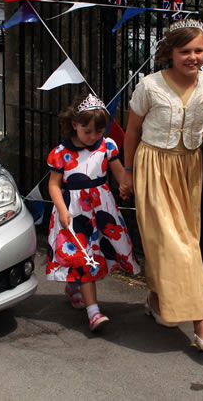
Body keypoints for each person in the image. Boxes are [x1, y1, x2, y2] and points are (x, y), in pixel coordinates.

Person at [120, 19, 203, 351]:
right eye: (185, 50)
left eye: (199, 50)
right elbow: (131, 132)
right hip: (154, 165)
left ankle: (157, 301)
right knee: (177, 244)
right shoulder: (149, 86)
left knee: (177, 240)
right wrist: (127, 173)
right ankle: (201, 323)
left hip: (189, 168)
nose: (193, 57)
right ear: (169, 52)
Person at [46, 92, 141, 331]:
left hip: (101, 210)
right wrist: (62, 210)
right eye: (87, 131)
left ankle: (74, 286)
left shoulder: (107, 146)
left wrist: (127, 188)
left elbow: (119, 173)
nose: (93, 136)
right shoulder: (60, 153)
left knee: (97, 255)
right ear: (74, 124)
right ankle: (94, 312)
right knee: (86, 259)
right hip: (74, 212)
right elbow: (54, 185)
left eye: (98, 131)